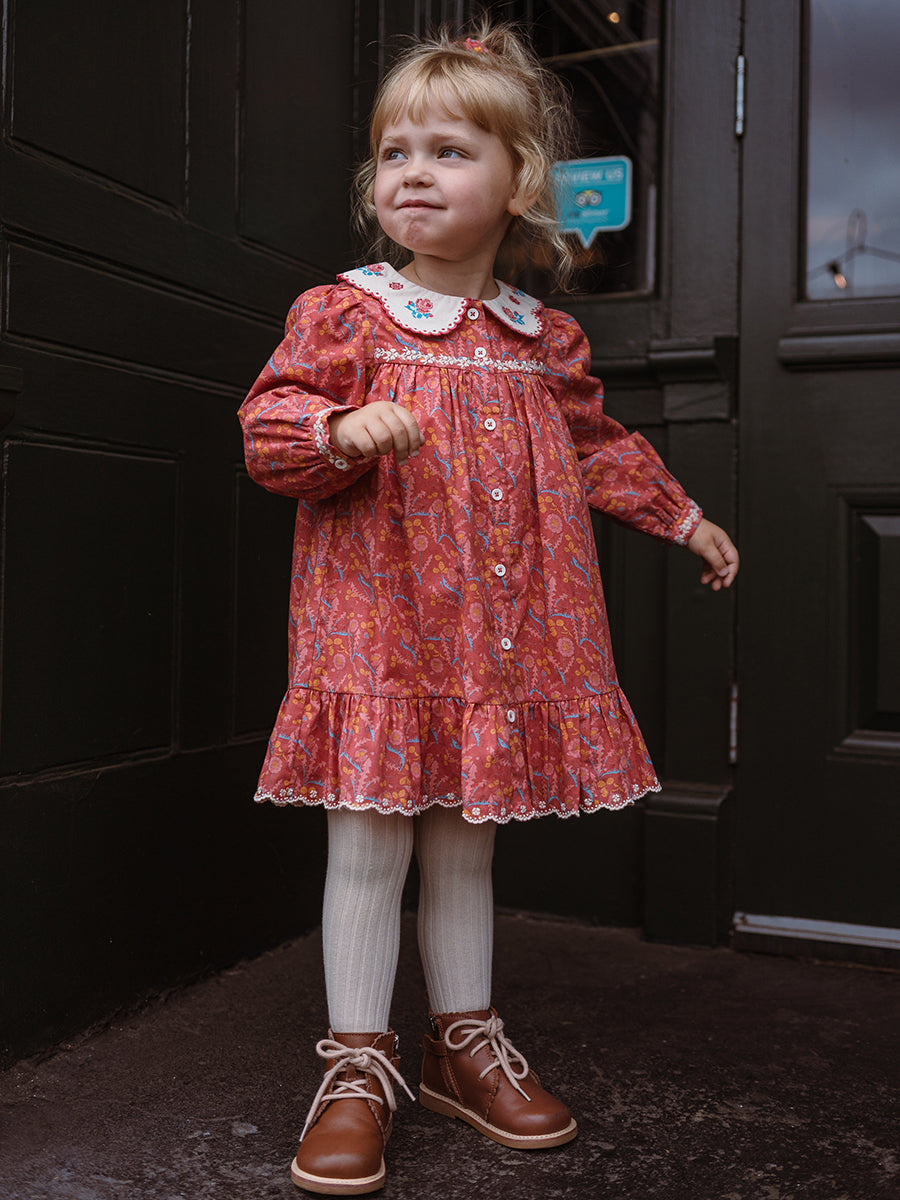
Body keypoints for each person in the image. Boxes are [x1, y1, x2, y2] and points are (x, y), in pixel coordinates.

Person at [239, 20, 739, 1196]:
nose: (412, 173)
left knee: (467, 844)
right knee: (370, 845)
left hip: (498, 647)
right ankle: (357, 1065)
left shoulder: (542, 338)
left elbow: (595, 446)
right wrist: (338, 428)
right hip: (380, 634)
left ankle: (462, 1043)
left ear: (519, 184)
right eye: (395, 152)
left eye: (450, 151)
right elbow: (270, 428)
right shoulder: (348, 315)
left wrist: (680, 516)